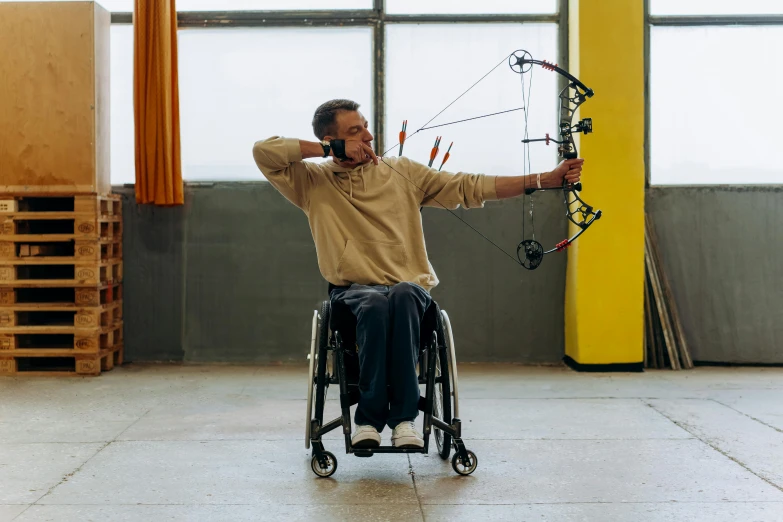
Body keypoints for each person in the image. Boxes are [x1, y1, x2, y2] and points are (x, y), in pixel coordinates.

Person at [252, 99, 583, 449]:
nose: (368, 134)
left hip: (410, 294)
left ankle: (404, 420)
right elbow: (264, 152)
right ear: (332, 139)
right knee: (375, 303)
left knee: (405, 293)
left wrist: (543, 180)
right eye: (355, 131)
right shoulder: (310, 181)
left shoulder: (402, 172)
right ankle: (368, 420)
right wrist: (328, 150)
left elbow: (469, 186)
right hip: (353, 295)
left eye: (365, 126)